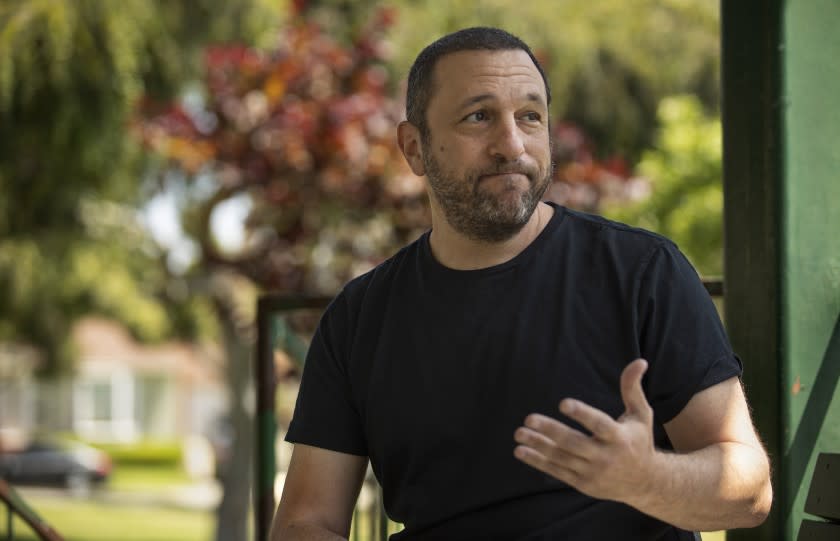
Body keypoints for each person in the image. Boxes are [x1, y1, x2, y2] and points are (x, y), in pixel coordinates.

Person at [270, 27, 772, 541]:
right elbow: (304, 523)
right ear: (414, 148)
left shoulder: (643, 273)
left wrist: (645, 478)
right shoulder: (360, 317)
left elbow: (750, 491)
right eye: (478, 117)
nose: (511, 145)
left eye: (530, 116)